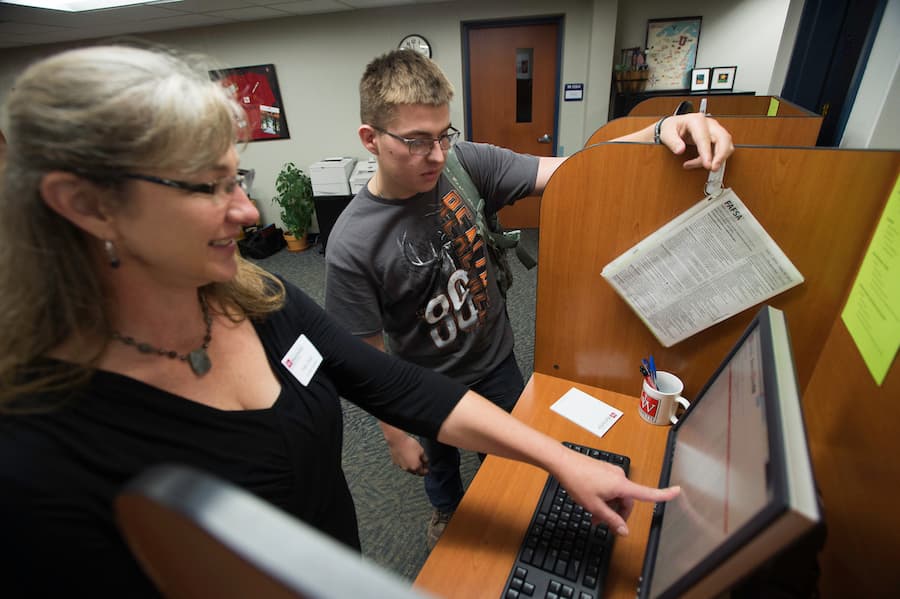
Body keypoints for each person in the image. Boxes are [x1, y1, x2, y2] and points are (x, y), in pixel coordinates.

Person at [0, 45, 679, 597]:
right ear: (87, 205)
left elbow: (391, 381)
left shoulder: (257, 298)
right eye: (210, 186)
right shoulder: (37, 454)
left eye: (238, 179)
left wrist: (562, 460)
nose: (246, 211)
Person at [325, 49, 733, 550]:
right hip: (425, 382)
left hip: (494, 360)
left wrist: (660, 131)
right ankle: (447, 511)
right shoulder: (352, 242)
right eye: (415, 141)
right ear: (371, 139)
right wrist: (394, 434)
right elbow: (364, 356)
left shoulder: (463, 163)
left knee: (513, 463)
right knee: (440, 465)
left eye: (442, 135)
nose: (435, 154)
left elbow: (575, 170)